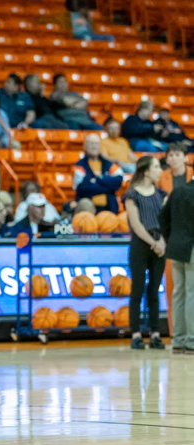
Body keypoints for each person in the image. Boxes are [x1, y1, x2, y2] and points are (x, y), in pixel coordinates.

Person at [123, 156, 166, 350]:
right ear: (147, 171)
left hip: (159, 243)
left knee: (154, 291)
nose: (160, 171)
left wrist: (162, 241)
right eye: (156, 167)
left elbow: (166, 221)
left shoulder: (161, 194)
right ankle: (136, 333)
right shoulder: (131, 195)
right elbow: (136, 224)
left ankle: (155, 333)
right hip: (141, 245)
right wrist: (153, 243)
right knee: (137, 289)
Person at [159, 170, 194, 353]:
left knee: (179, 293)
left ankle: (178, 339)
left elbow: (162, 217)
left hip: (176, 247)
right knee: (191, 293)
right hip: (191, 248)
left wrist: (170, 238)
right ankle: (192, 339)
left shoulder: (178, 190)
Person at [74, 134, 124, 213]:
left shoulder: (109, 164)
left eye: (96, 144)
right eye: (91, 144)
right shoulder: (79, 165)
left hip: (109, 208)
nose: (94, 146)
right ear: (84, 146)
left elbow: (118, 182)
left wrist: (98, 179)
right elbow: (82, 188)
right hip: (88, 209)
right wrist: (108, 187)